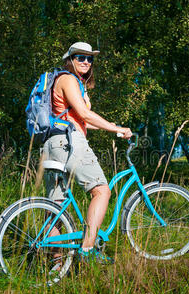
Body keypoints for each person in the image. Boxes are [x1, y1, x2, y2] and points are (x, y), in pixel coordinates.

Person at [43, 42, 132, 263]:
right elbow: (84, 113)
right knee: (102, 191)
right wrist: (117, 128)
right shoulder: (68, 79)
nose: (86, 62)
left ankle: (56, 266)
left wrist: (109, 125)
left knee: (55, 207)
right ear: (70, 60)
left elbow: (79, 120)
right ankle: (87, 250)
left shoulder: (65, 81)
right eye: (80, 57)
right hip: (69, 142)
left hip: (53, 144)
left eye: (89, 58)